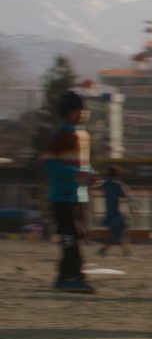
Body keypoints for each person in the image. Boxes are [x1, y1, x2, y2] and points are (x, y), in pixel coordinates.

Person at [43, 91, 95, 293]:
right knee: (70, 237)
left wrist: (90, 175)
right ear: (67, 112)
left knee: (76, 235)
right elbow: (48, 162)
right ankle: (74, 276)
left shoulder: (83, 136)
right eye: (78, 110)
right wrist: (76, 173)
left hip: (79, 196)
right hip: (62, 196)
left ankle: (63, 276)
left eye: (85, 110)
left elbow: (83, 166)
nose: (83, 114)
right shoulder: (61, 136)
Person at [97, 165, 134, 258]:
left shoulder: (105, 184)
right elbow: (127, 196)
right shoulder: (118, 185)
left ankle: (127, 253)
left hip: (109, 212)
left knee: (119, 234)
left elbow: (100, 186)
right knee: (119, 234)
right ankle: (103, 250)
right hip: (118, 213)